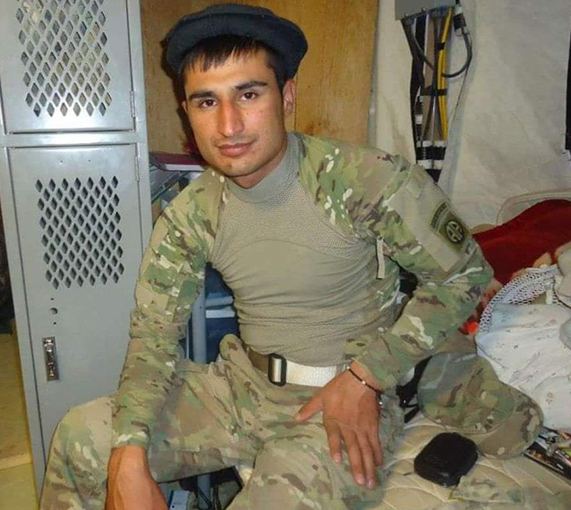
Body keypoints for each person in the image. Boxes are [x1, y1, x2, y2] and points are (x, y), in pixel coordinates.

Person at [40, 5, 542, 510]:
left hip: (339, 395)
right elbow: (153, 335)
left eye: (249, 94)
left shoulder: (365, 181)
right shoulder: (191, 214)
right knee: (81, 438)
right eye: (206, 102)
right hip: (240, 387)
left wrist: (366, 377)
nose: (229, 124)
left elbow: (465, 277)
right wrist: (129, 449)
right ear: (186, 114)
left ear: (287, 95)